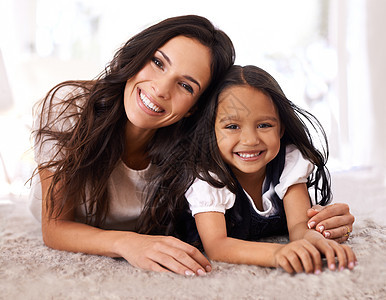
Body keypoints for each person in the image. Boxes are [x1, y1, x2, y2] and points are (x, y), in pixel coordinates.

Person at [30, 15, 354, 276]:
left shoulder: (194, 146)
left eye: (185, 85)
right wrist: (129, 244)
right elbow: (56, 227)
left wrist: (315, 225)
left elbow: (253, 182)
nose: (160, 89)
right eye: (158, 63)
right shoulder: (69, 107)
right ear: (138, 54)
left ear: (197, 106)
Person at [144, 65, 356, 274]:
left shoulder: (289, 161)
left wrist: (315, 239)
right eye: (232, 126)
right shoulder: (208, 176)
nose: (250, 140)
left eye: (264, 125)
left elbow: (299, 226)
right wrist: (278, 253)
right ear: (211, 131)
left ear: (281, 128)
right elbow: (217, 246)